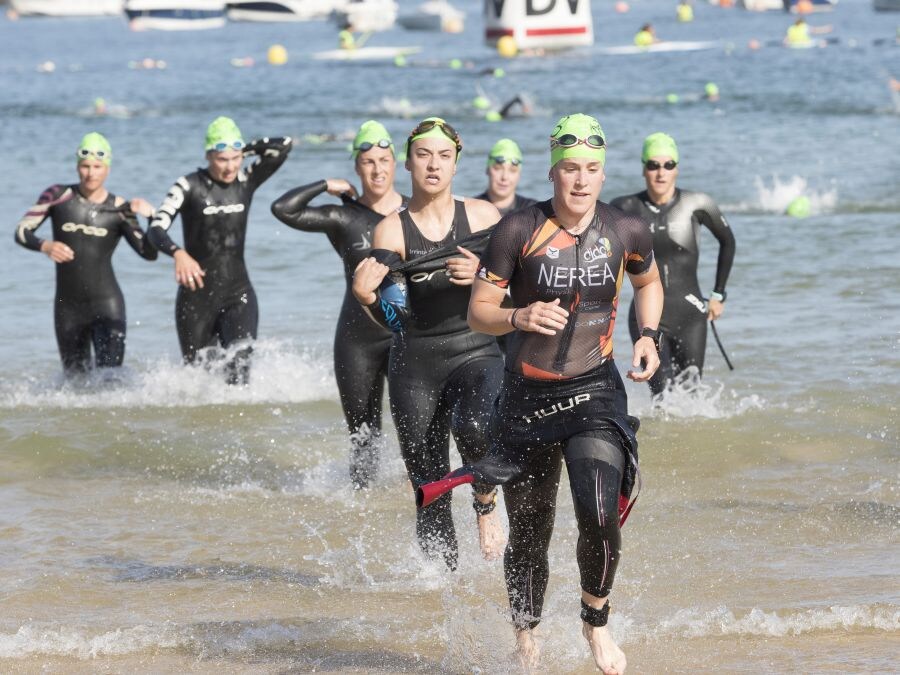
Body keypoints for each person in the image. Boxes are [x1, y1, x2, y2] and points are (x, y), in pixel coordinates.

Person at [416, 113, 663, 674]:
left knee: (599, 509)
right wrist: (520, 313)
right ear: (553, 170)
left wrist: (646, 335)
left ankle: (594, 622)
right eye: (571, 168)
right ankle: (526, 635)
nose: (582, 181)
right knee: (530, 535)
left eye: (593, 169)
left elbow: (648, 281)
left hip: (595, 393)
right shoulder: (517, 230)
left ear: (603, 173)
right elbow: (481, 313)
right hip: (527, 400)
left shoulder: (626, 230)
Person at [351, 117, 505, 569]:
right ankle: (442, 589)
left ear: (456, 164)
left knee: (475, 428)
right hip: (415, 365)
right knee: (428, 485)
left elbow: (517, 292)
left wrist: (481, 275)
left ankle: (484, 499)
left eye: (443, 156)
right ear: (408, 163)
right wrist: (365, 297)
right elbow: (396, 319)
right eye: (423, 155)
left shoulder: (484, 217)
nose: (433, 166)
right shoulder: (391, 232)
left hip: (477, 351)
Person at [271, 121, 407, 489]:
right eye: (367, 162)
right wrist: (325, 185)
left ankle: (417, 505)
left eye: (383, 160)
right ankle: (362, 510)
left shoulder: (413, 214)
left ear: (397, 163)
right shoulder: (343, 216)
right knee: (363, 438)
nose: (377, 169)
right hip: (357, 339)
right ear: (357, 168)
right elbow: (283, 208)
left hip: (406, 337)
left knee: (418, 429)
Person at [148, 117, 292, 385]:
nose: (230, 166)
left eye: (235, 158)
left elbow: (284, 146)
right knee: (198, 383)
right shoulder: (188, 185)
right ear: (208, 155)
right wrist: (178, 253)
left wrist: (244, 150)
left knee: (240, 375)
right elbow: (156, 228)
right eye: (222, 159)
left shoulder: (246, 180)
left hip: (238, 294)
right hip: (196, 298)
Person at [14, 132, 158, 374]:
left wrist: (152, 217)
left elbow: (148, 253)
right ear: (77, 166)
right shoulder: (57, 196)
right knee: (74, 383)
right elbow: (21, 231)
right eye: (85, 166)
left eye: (97, 167)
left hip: (107, 304)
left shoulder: (120, 208)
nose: (91, 173)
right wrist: (45, 246)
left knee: (110, 381)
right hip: (67, 307)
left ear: (107, 168)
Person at [610, 132, 735, 397]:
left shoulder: (697, 204)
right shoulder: (625, 206)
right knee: (662, 395)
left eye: (668, 165)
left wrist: (718, 295)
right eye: (653, 165)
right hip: (646, 317)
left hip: (691, 314)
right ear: (643, 168)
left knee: (691, 396)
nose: (661, 172)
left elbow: (728, 241)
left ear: (677, 168)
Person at [474, 139, 537, 217]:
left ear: (519, 174)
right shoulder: (472, 209)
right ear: (487, 170)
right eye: (498, 168)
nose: (504, 177)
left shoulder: (532, 210)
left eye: (512, 170)